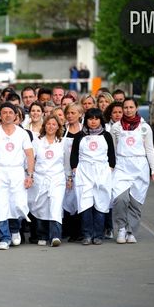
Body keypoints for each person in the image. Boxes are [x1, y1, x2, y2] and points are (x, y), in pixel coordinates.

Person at [0, 103, 34, 250]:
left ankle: (14, 229)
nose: (7, 115)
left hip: (17, 172)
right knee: (0, 205)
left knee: (17, 203)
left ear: (16, 115)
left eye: (10, 112)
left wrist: (30, 175)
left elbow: (30, 155)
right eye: (4, 112)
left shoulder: (22, 133)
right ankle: (4, 237)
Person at [110, 98, 154, 244]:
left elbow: (149, 149)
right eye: (125, 107)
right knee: (119, 198)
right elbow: (113, 149)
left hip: (140, 166)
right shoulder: (117, 127)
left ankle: (131, 231)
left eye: (131, 107)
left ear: (136, 108)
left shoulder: (145, 128)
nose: (128, 110)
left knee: (135, 202)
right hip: (122, 165)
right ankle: (121, 228)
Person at [70, 108, 115, 245]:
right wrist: (75, 169)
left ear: (100, 120)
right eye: (90, 119)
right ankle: (87, 235)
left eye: (96, 119)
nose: (93, 122)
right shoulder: (79, 136)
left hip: (102, 172)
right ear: (86, 120)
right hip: (84, 172)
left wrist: (109, 168)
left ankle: (98, 235)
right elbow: (74, 155)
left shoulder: (106, 136)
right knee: (85, 205)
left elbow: (112, 155)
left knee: (101, 204)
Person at [29, 115, 65, 247]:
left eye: (54, 124)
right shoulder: (37, 141)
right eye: (48, 124)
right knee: (41, 207)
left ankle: (55, 236)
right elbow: (31, 160)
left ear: (58, 127)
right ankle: (42, 235)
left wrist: (69, 178)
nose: (51, 126)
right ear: (45, 126)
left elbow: (66, 162)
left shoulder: (62, 142)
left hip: (57, 178)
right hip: (40, 178)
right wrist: (30, 175)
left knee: (55, 206)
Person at [62, 103, 84, 242]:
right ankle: (67, 230)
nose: (70, 116)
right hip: (63, 170)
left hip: (81, 171)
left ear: (80, 114)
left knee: (80, 200)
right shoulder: (62, 130)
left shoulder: (85, 131)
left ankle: (79, 231)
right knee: (66, 200)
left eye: (73, 113)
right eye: (68, 113)